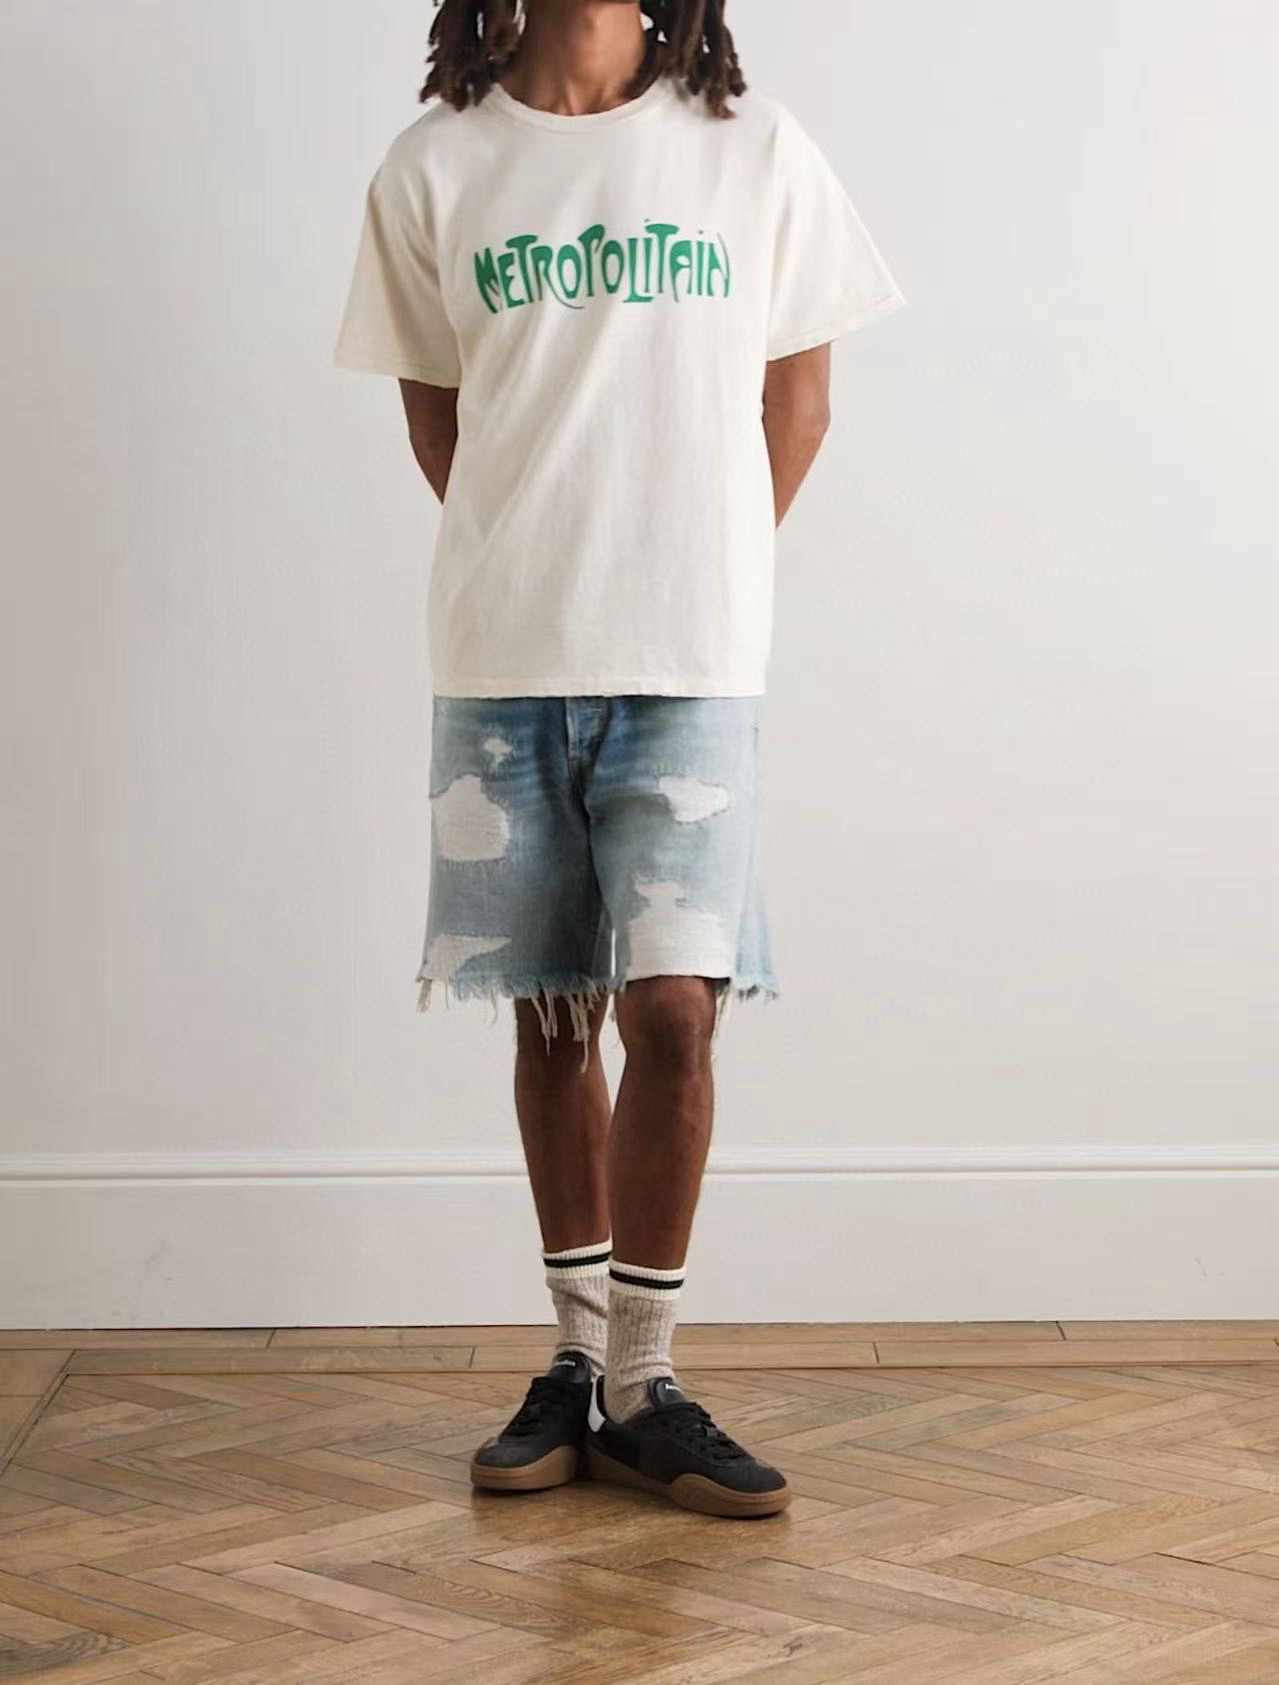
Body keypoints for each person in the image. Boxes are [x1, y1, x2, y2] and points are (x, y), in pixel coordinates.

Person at [335, 0, 904, 1518]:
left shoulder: (752, 149)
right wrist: (545, 565)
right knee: (550, 1017)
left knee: (675, 1011)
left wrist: (692, 566)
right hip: (503, 660)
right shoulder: (435, 166)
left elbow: (801, 401)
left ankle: (647, 1380)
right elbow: (440, 422)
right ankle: (576, 1364)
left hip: (692, 663)